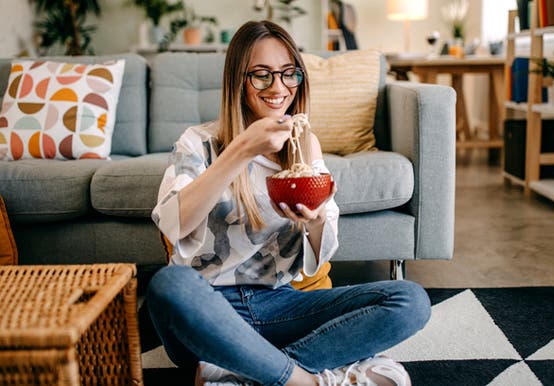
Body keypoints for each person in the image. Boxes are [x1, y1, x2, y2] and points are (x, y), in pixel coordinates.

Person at [146, 20, 431, 386]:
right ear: (238, 81)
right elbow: (173, 224)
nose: (279, 88)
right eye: (262, 75)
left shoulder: (304, 147)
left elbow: (321, 253)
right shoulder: (197, 143)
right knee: (169, 284)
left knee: (410, 301)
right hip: (207, 311)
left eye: (288, 74)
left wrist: (313, 220)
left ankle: (246, 372)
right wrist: (241, 150)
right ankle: (309, 381)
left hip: (279, 306)